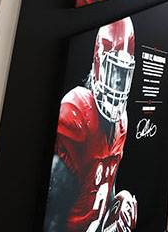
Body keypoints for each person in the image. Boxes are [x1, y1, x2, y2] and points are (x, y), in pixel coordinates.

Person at [44, 18, 137, 232]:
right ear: (98, 62)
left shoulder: (122, 122)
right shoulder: (77, 113)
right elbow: (51, 218)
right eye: (113, 73)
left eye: (123, 76)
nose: (118, 85)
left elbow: (106, 191)